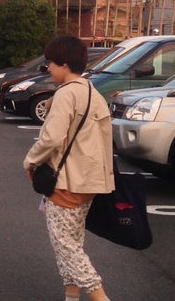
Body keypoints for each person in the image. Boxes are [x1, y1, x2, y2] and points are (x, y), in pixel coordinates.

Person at [23, 35, 114, 301]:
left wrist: (30, 161)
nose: (48, 68)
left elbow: (51, 138)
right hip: (90, 182)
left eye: (50, 63)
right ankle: (71, 297)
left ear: (63, 64)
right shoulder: (92, 92)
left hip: (67, 182)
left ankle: (101, 298)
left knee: (67, 248)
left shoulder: (65, 94)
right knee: (72, 243)